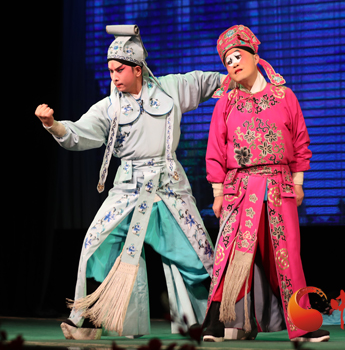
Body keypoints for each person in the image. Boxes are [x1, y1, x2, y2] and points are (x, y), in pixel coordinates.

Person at [35, 25, 223, 340]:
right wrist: (53, 125)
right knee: (97, 243)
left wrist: (235, 80)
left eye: (119, 70)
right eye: (110, 71)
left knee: (197, 252)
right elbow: (79, 132)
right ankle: (91, 320)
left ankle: (215, 318)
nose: (114, 77)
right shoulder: (109, 107)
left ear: (137, 69)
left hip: (167, 184)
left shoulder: (170, 89)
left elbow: (206, 81)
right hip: (128, 186)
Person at [202, 25, 329, 342]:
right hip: (239, 188)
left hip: (278, 186)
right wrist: (217, 192)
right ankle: (220, 321)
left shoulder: (285, 97)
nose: (233, 63)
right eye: (227, 60)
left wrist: (298, 181)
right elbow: (215, 149)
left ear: (255, 56)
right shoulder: (226, 102)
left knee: (288, 257)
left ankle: (301, 325)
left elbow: (300, 140)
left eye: (238, 56)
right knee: (230, 255)